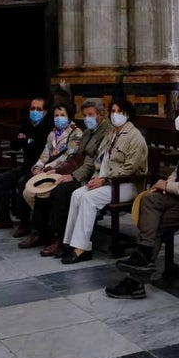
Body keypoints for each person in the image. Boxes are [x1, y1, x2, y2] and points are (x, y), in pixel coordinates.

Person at [106, 96, 179, 299]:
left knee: (154, 225)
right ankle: (143, 256)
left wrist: (169, 186)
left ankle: (136, 279)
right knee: (148, 199)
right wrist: (164, 186)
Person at [59, 99, 148, 264]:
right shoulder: (111, 134)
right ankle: (70, 242)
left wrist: (104, 179)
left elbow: (130, 168)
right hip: (107, 182)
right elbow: (101, 160)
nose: (115, 115)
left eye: (119, 112)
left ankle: (82, 248)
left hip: (126, 184)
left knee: (88, 198)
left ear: (127, 115)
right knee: (77, 194)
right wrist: (96, 176)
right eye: (113, 111)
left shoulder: (135, 137)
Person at [19, 98, 113, 253]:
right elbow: (77, 156)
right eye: (85, 115)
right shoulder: (90, 131)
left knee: (61, 190)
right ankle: (40, 232)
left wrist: (73, 175)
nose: (87, 119)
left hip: (91, 176)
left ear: (101, 114)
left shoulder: (106, 132)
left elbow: (92, 161)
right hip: (78, 170)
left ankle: (59, 237)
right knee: (45, 186)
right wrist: (54, 170)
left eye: (90, 114)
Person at [0, 96, 51, 233]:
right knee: (1, 180)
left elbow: (37, 147)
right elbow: (14, 143)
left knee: (22, 182)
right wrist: (26, 140)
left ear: (45, 112)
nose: (35, 112)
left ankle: (24, 224)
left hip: (41, 170)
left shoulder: (48, 128)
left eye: (39, 109)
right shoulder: (27, 125)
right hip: (26, 167)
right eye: (32, 109)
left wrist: (26, 140)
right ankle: (2, 219)